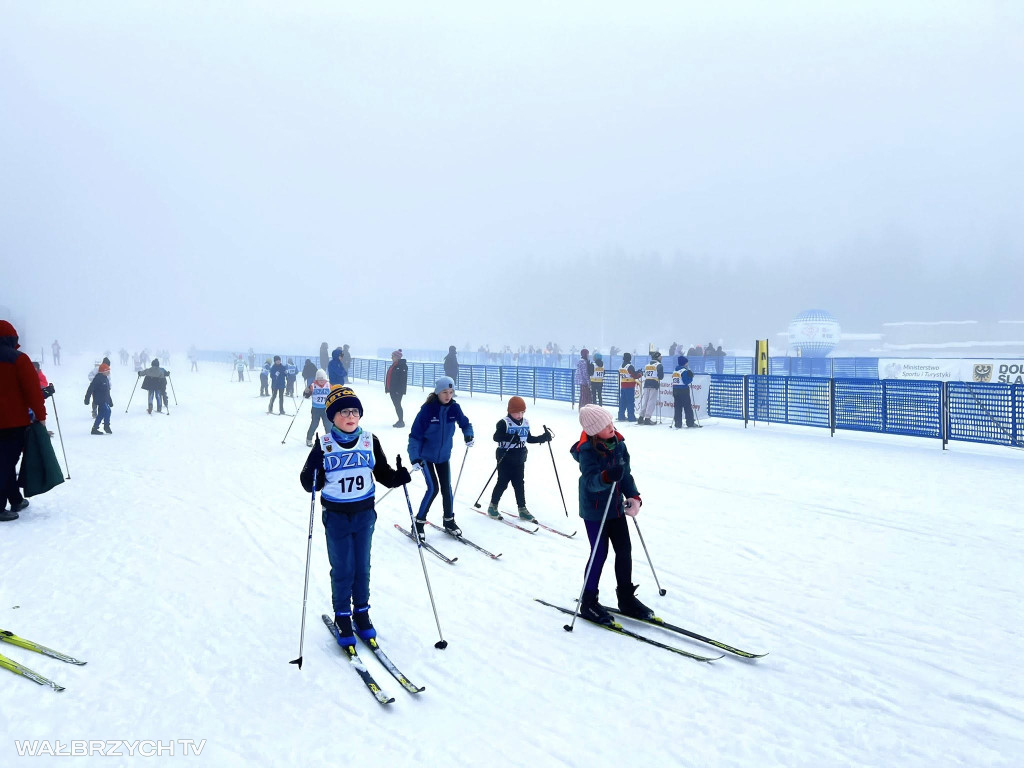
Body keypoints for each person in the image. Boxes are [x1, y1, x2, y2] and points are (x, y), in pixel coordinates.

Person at [299, 385, 411, 648]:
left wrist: (398, 477)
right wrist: (315, 474)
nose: (350, 416)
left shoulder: (370, 441)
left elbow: (382, 473)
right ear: (332, 417)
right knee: (343, 567)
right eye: (343, 412)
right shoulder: (324, 444)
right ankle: (342, 616)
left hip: (364, 514)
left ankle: (361, 612)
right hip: (337, 515)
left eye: (354, 411)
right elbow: (307, 482)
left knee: (362, 566)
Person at [570, 405, 652, 624]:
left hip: (615, 507)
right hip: (595, 510)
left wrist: (634, 496)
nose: (612, 428)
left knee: (624, 549)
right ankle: (589, 601)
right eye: (606, 426)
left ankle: (625, 597)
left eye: (611, 423)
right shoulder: (587, 451)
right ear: (594, 431)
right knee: (599, 553)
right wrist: (606, 477)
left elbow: (626, 475)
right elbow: (590, 482)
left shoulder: (619, 444)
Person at [407, 376, 473, 541]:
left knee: (446, 488)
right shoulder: (428, 410)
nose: (448, 395)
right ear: (437, 392)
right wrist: (415, 458)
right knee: (433, 488)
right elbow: (415, 436)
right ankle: (418, 523)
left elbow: (465, 423)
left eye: (451, 392)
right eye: (444, 392)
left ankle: (449, 521)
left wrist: (468, 435)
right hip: (426, 457)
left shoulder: (454, 408)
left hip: (443, 456)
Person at [1, 322, 46, 521]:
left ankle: (16, 499)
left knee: (5, 462)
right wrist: (41, 416)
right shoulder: (19, 359)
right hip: (13, 422)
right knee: (5, 462)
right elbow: (32, 392)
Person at [485, 396, 552, 522]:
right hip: (505, 457)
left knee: (519, 484)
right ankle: (492, 506)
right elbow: (496, 437)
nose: (520, 415)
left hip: (520, 458)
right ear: (510, 411)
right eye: (517, 412)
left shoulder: (525, 422)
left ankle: (522, 509)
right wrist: (509, 437)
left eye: (522, 412)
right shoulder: (503, 422)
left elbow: (529, 438)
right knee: (502, 483)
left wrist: (542, 438)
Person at [303, 369, 331, 447]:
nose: (321, 381)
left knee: (328, 425)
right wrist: (306, 391)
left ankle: (329, 441)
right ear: (316, 379)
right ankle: (309, 439)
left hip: (326, 409)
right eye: (319, 379)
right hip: (316, 409)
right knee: (314, 424)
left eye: (323, 379)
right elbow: (306, 395)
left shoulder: (329, 385)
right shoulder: (313, 385)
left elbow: (334, 394)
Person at [85, 363, 113, 434]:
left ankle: (96, 428)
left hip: (105, 399)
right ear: (103, 371)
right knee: (107, 411)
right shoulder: (97, 379)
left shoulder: (105, 379)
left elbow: (107, 391)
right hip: (100, 399)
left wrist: (110, 401)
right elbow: (90, 389)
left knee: (104, 413)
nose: (109, 372)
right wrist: (87, 398)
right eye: (108, 371)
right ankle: (105, 426)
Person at [672, 356, 699, 429]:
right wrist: (691, 377)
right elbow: (686, 381)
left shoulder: (675, 370)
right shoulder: (684, 371)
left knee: (677, 407)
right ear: (684, 363)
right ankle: (690, 422)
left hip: (675, 390)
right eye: (687, 362)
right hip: (683, 390)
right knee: (687, 407)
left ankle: (678, 423)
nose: (688, 363)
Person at [638, 351, 663, 425]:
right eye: (660, 356)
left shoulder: (647, 365)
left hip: (647, 383)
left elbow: (645, 375)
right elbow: (661, 377)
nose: (661, 358)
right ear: (657, 357)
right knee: (651, 401)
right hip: (654, 384)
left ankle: (641, 417)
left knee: (645, 401)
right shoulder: (659, 365)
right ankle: (647, 418)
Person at [384, 349, 408, 428]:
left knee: (398, 405)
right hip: (392, 389)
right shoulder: (394, 365)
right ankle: (400, 420)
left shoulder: (402, 366)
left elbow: (403, 380)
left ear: (397, 357)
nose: (391, 358)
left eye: (393, 356)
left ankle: (401, 421)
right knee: (397, 405)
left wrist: (399, 390)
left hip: (397, 391)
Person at [616, 352, 640, 422]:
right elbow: (634, 376)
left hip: (623, 385)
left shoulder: (620, 366)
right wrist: (640, 374)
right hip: (629, 386)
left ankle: (621, 416)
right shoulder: (630, 366)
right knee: (630, 402)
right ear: (630, 358)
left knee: (622, 402)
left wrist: (636, 372)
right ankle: (631, 417)